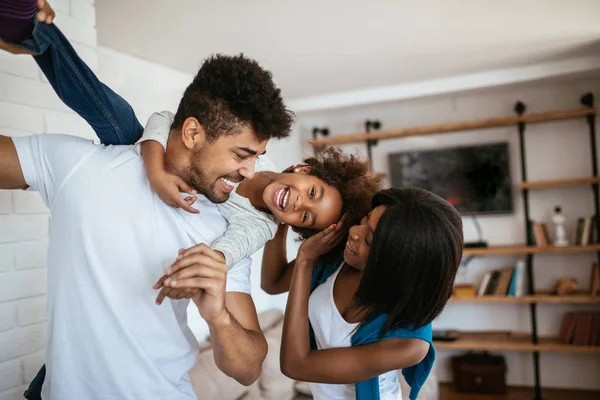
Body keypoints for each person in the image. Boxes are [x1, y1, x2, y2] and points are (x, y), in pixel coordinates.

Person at [1, 16, 295, 400]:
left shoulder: (224, 235)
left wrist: (219, 315)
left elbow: (247, 369)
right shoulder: (83, 165)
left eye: (257, 157)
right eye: (242, 154)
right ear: (192, 133)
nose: (249, 171)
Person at [262, 188, 464, 400]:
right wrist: (278, 215)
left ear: (398, 264)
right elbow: (272, 282)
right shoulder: (342, 257)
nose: (355, 232)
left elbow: (295, 366)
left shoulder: (410, 344)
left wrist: (305, 260)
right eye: (366, 219)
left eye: (369, 240)